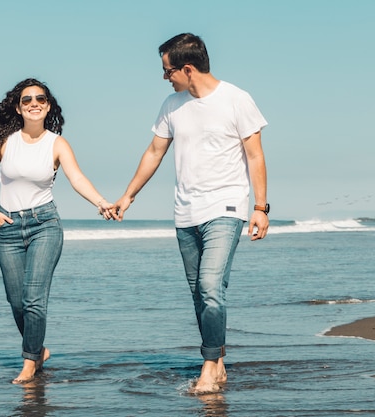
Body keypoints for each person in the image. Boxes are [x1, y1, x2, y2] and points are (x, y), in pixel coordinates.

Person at [113, 33, 269, 394]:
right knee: (199, 293)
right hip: (185, 212)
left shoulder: (236, 99)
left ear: (187, 68)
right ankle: (218, 362)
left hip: (226, 207)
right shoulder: (172, 105)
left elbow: (255, 155)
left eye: (168, 71)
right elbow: (154, 152)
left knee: (210, 286)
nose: (165, 77)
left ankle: (208, 365)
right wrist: (128, 195)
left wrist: (260, 208)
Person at [0, 78, 116, 384]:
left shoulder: (57, 143)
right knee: (16, 301)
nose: (34, 104)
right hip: (9, 227)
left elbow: (77, 178)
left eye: (40, 98)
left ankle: (29, 363)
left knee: (34, 299)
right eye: (27, 100)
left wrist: (102, 202)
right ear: (18, 107)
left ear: (48, 105)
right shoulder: (4, 140)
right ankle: (38, 350)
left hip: (45, 225)